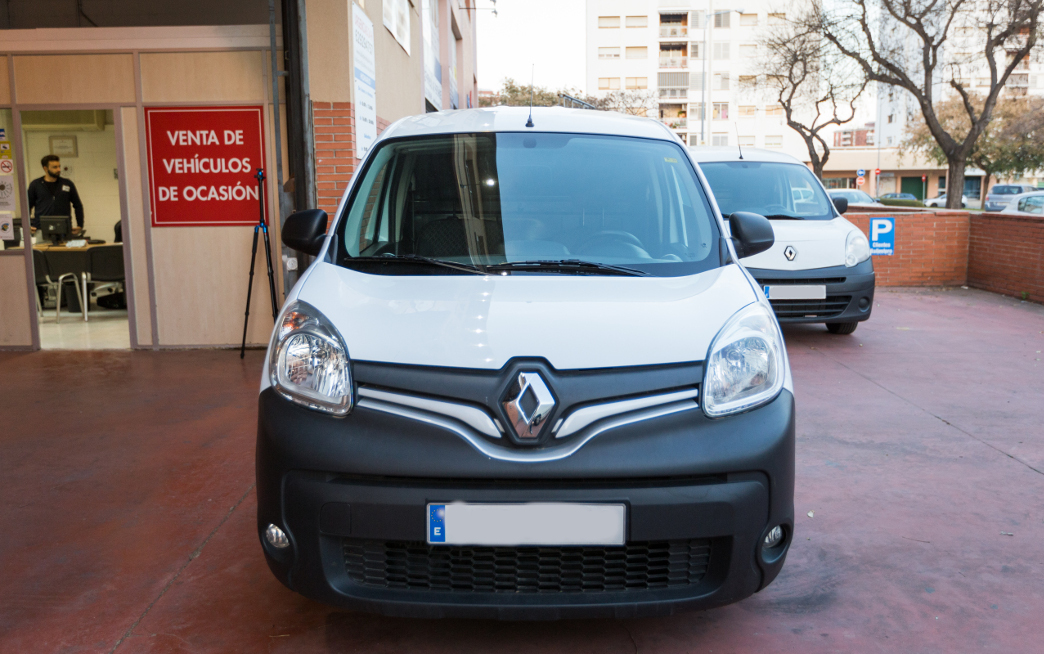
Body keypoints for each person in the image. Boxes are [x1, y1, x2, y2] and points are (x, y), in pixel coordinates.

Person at [27, 154, 84, 236]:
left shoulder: (67, 183)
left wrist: (80, 225)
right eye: (55, 167)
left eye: (59, 166)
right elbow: (27, 207)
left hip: (64, 229)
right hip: (41, 229)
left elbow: (78, 205)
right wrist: (27, 225)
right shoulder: (36, 184)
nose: (59, 169)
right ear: (45, 168)